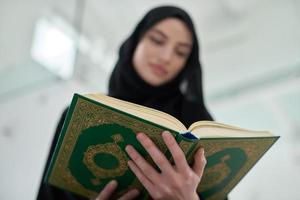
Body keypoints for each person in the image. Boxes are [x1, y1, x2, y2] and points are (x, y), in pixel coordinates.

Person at [37, 5, 217, 200]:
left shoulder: (197, 124)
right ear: (135, 41)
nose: (166, 57)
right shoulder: (79, 116)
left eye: (181, 52)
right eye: (157, 40)